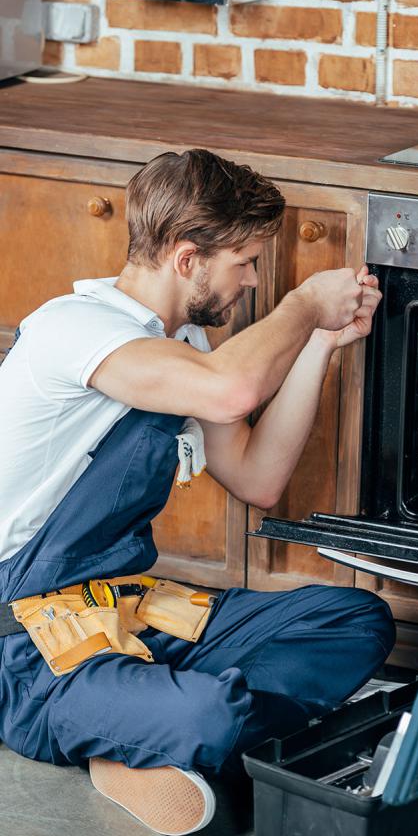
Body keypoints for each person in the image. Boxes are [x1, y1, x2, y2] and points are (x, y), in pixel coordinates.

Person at [0, 149, 395, 835]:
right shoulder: (75, 329)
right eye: (244, 263)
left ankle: (143, 731)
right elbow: (231, 389)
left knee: (355, 619)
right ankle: (157, 726)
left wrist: (318, 346)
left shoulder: (180, 343)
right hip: (28, 646)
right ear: (186, 259)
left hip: (127, 610)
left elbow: (256, 478)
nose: (249, 282)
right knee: (209, 713)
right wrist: (301, 305)